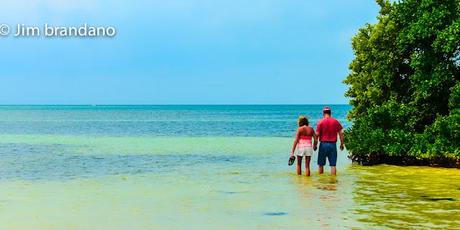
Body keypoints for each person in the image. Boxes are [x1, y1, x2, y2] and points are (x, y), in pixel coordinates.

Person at [313, 107, 344, 175]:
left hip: (323, 145)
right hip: (332, 145)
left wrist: (315, 145)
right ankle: (333, 182)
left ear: (323, 113)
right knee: (333, 165)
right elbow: (341, 133)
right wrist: (342, 144)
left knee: (321, 164)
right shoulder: (335, 121)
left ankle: (321, 181)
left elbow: (317, 135)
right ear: (330, 113)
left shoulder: (320, 122)